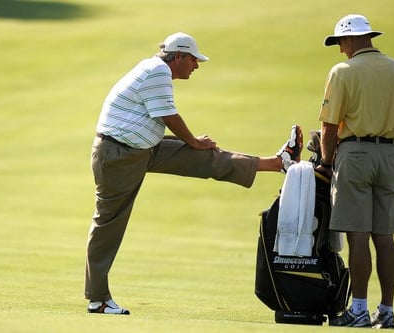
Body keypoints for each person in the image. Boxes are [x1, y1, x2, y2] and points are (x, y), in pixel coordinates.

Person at [85, 32, 303, 315]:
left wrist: (194, 144)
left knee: (206, 158)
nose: (196, 66)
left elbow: (164, 118)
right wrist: (192, 140)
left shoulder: (155, 69)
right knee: (108, 224)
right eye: (193, 60)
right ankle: (97, 299)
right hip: (119, 157)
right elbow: (169, 116)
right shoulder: (157, 71)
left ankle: (278, 163)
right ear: (178, 56)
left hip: (140, 148)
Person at [316, 15, 394, 329]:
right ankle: (386, 311)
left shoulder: (343, 71)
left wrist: (327, 161)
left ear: (350, 40)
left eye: (340, 43)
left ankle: (358, 309)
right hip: (390, 154)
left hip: (355, 154)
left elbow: (330, 126)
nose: (340, 50)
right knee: (384, 236)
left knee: (357, 234)